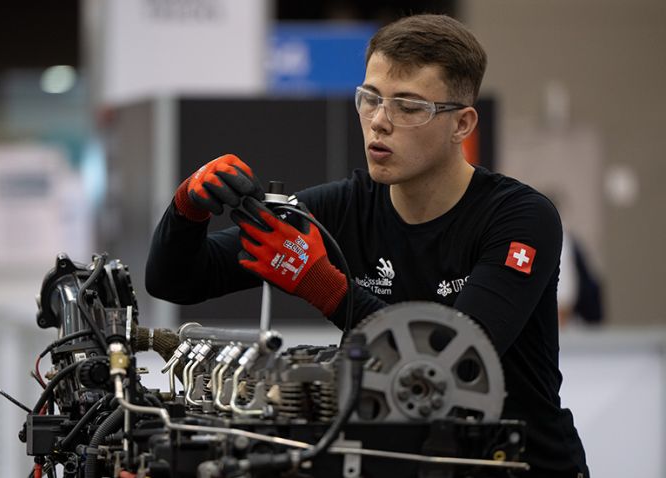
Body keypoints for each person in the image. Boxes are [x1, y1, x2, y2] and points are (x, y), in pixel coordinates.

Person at [146, 14, 588, 477]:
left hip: (522, 466)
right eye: (370, 98)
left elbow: (450, 359)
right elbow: (176, 279)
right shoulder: (343, 208)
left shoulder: (520, 217)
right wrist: (186, 211)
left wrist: (322, 286)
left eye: (409, 106)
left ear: (462, 124)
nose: (379, 121)